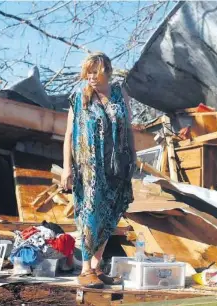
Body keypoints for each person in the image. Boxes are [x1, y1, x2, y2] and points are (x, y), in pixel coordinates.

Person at [61, 52, 136, 288]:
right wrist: (66, 168)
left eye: (95, 72)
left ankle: (96, 266)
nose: (91, 77)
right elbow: (69, 135)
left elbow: (128, 128)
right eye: (88, 73)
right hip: (89, 167)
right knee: (90, 215)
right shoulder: (79, 98)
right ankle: (84, 269)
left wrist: (133, 155)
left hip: (116, 165)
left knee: (111, 214)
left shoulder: (119, 94)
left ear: (107, 71)